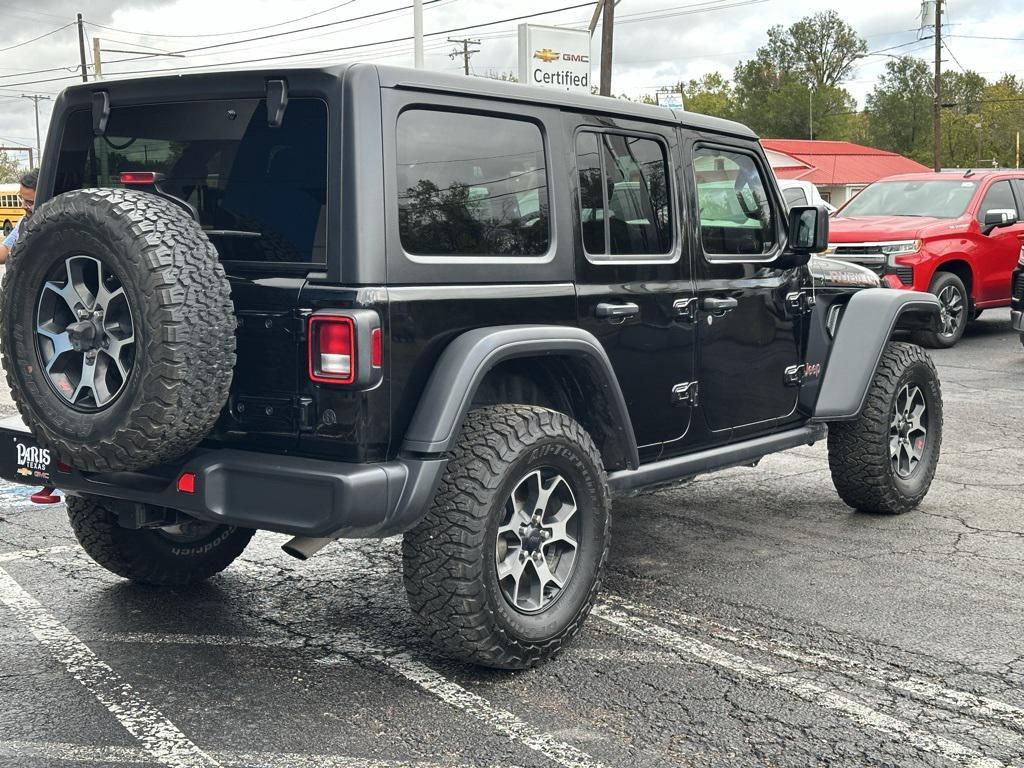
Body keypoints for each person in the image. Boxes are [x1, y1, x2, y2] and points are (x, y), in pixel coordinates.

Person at [0, 168, 37, 264]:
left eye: (30, 202)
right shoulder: (23, 222)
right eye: (22, 199)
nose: (23, 206)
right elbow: (6, 249)